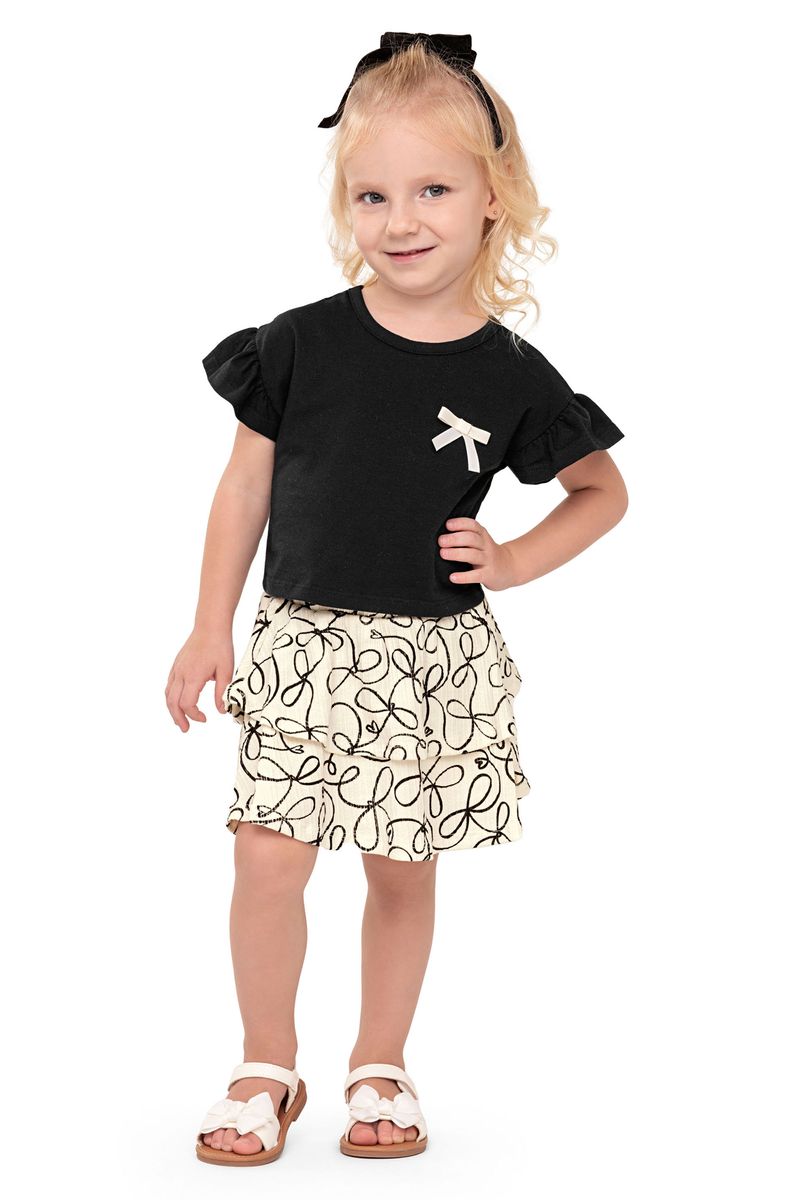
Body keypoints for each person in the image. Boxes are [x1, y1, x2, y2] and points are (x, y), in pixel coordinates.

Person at [165, 31, 628, 1166]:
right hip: (303, 643)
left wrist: (512, 559)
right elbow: (242, 487)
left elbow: (601, 492)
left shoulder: (508, 374)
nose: (400, 219)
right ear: (346, 204)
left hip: (427, 659)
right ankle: (265, 1064)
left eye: (432, 190)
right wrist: (207, 626)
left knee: (399, 868)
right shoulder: (297, 345)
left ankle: (381, 1060)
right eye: (372, 194)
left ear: (492, 197)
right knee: (265, 858)